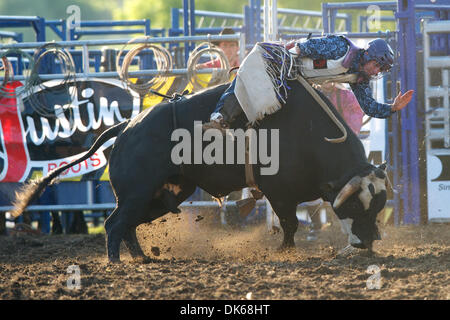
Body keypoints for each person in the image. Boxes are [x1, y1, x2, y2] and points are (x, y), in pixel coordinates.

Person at [203, 35, 414, 130]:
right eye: (376, 65)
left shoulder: (358, 77)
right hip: (282, 63)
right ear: (368, 55)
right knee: (245, 81)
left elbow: (368, 107)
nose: (376, 71)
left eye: (380, 69)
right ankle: (219, 117)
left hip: (297, 84)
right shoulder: (341, 48)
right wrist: (286, 58)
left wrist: (392, 108)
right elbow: (307, 46)